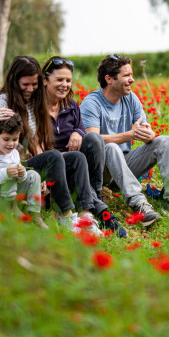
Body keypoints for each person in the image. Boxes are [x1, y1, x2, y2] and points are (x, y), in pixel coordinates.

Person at [0, 55, 102, 234]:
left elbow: (35, 141)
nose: (30, 89)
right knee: (53, 156)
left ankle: (85, 217)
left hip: (26, 163)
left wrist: (43, 170)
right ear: (15, 81)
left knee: (76, 157)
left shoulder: (32, 105)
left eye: (34, 84)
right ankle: (66, 217)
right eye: (25, 84)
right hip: (9, 168)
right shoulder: (2, 103)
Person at [80, 54, 169, 227]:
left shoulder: (130, 98)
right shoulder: (92, 103)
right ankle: (139, 204)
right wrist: (130, 135)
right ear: (109, 79)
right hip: (101, 171)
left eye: (131, 75)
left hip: (125, 163)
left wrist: (148, 134)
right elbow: (93, 140)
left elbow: (146, 129)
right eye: (126, 76)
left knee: (163, 141)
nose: (132, 80)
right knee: (111, 148)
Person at [42, 55, 127, 237]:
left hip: (74, 164)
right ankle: (98, 210)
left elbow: (82, 128)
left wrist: (77, 132)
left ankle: (93, 195)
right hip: (52, 164)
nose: (64, 84)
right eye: (59, 80)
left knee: (94, 139)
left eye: (68, 80)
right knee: (75, 158)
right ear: (44, 80)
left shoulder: (71, 106)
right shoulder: (36, 108)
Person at [0, 114, 48, 229]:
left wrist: (21, 174)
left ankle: (34, 214)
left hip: (10, 193)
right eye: (6, 139)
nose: (11, 144)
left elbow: (18, 180)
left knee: (33, 175)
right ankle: (11, 209)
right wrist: (5, 173)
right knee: (4, 178)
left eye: (15, 139)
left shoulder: (13, 154)